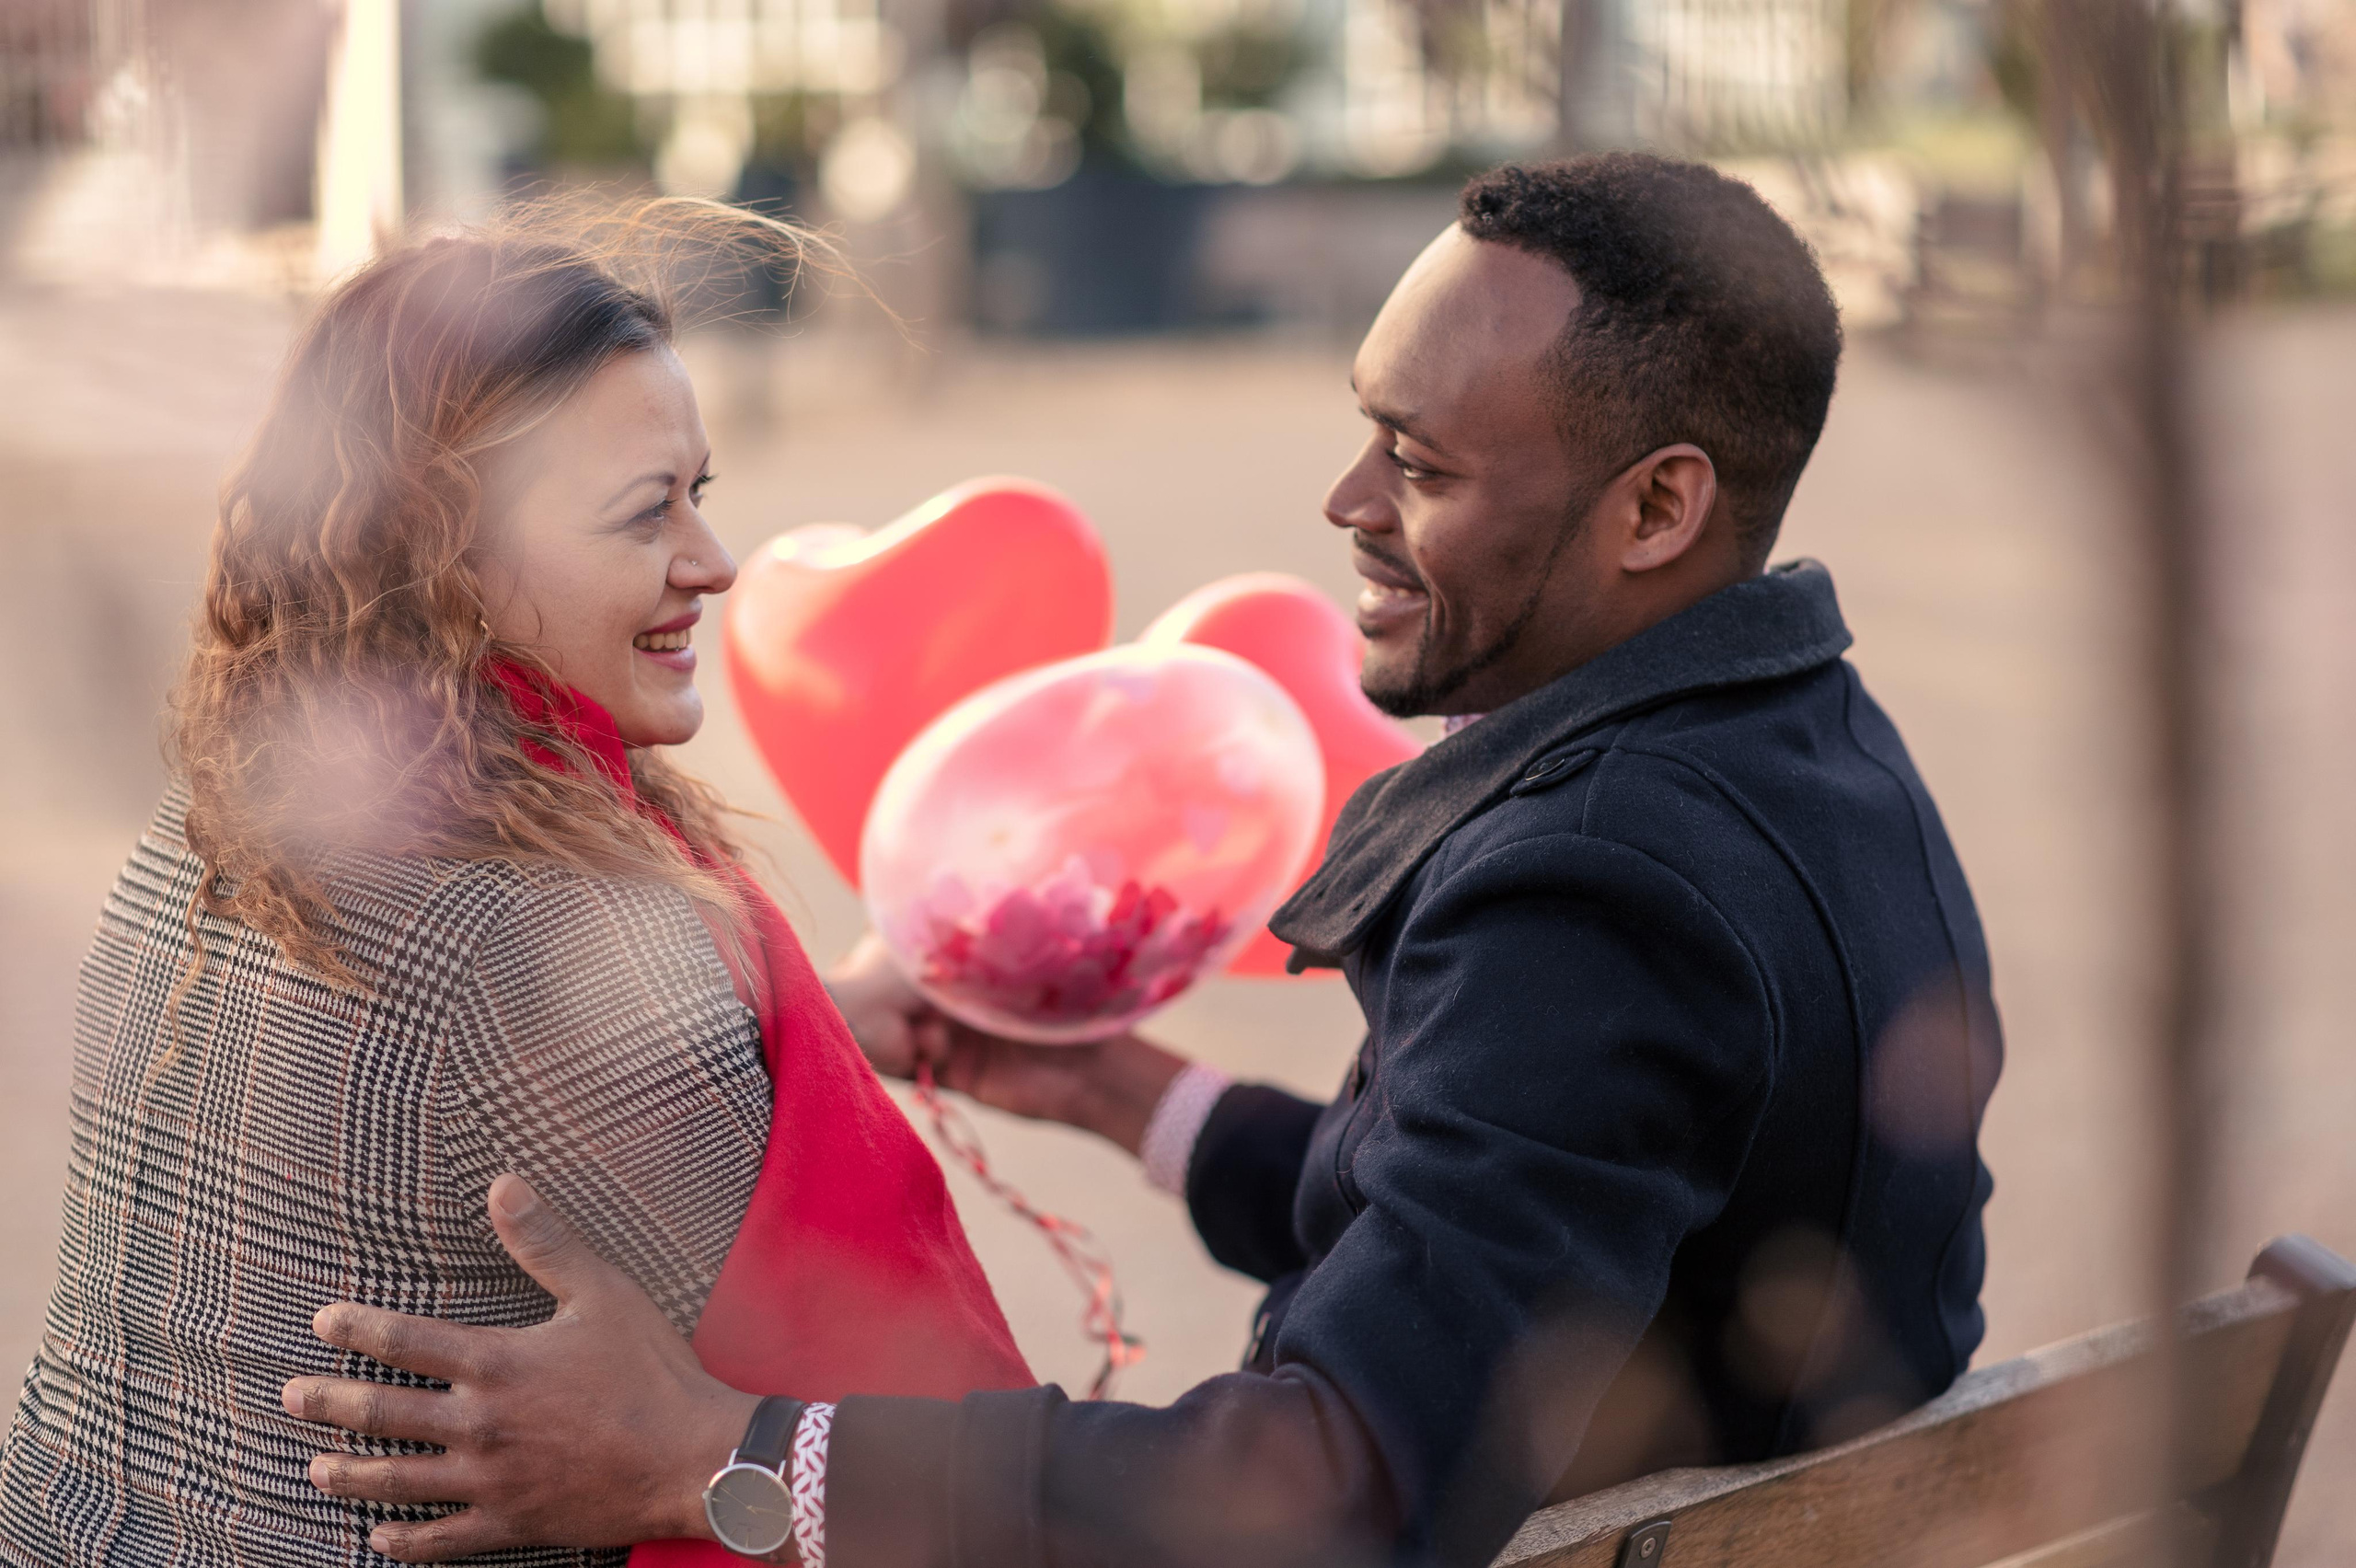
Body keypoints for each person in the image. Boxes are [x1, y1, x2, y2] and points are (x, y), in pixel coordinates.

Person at [283, 154, 2003, 1568]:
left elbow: (1332, 1492)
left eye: (1420, 463)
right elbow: (1517, 1211)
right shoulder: (1811, 747)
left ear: (1657, 508)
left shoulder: (1602, 901)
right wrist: (1122, 1095)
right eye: (1365, 429)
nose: (1347, 500)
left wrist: (725, 1456)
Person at [0, 207, 1032, 1568]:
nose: (711, 564)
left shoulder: (210, 826)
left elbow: (407, 1091)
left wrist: (822, 1027)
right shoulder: (550, 945)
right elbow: (873, 1457)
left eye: (698, 495)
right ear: (447, 553)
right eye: (643, 512)